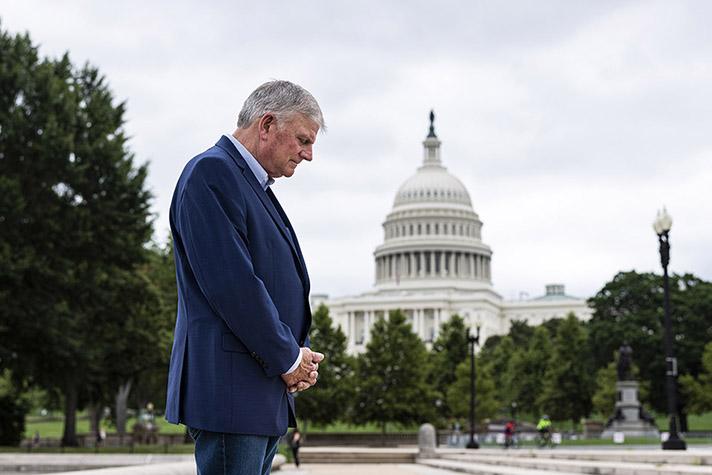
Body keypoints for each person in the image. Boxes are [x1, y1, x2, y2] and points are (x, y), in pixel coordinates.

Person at [165, 80, 326, 475]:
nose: (308, 155)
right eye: (303, 140)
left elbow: (275, 283)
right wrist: (289, 357)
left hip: (257, 391)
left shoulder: (254, 186)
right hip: (231, 392)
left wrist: (297, 356)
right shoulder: (212, 173)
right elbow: (232, 285)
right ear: (267, 124)